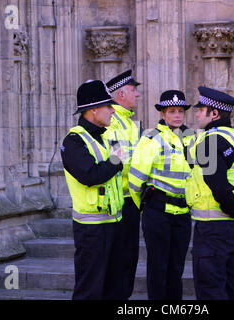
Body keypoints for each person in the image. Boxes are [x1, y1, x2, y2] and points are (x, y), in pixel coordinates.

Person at [186, 86, 234, 300]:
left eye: (201, 109)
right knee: (231, 285)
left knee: (210, 289)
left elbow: (216, 184)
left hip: (212, 227)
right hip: (231, 228)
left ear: (214, 114)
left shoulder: (209, 141)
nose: (197, 113)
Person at [60, 80, 126, 300]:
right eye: (108, 106)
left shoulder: (108, 136)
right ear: (93, 109)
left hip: (114, 224)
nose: (112, 110)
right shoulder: (73, 141)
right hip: (92, 228)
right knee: (90, 290)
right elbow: (91, 176)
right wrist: (116, 161)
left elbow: (122, 165)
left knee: (114, 288)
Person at [128, 90, 195, 300]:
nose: (177, 115)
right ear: (163, 114)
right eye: (172, 111)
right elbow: (136, 177)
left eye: (180, 111)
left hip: (183, 212)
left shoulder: (191, 137)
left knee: (176, 267)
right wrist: (146, 205)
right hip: (158, 211)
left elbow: (199, 174)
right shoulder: (151, 137)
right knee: (158, 267)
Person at [103, 69, 142, 299]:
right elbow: (119, 160)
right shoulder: (113, 123)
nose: (138, 94)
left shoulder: (129, 122)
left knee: (128, 260)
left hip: (132, 199)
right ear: (120, 94)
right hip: (119, 201)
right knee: (119, 261)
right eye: (133, 90)